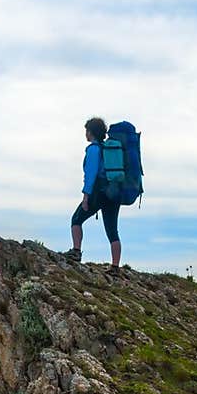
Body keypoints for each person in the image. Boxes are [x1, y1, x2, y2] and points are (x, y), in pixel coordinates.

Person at [66, 117, 121, 276]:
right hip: (113, 192)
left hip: (99, 193)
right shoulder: (108, 149)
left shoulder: (93, 149)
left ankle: (76, 252)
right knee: (112, 230)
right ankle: (115, 267)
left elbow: (90, 174)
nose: (86, 134)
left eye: (87, 131)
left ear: (91, 132)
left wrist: (86, 196)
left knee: (76, 219)